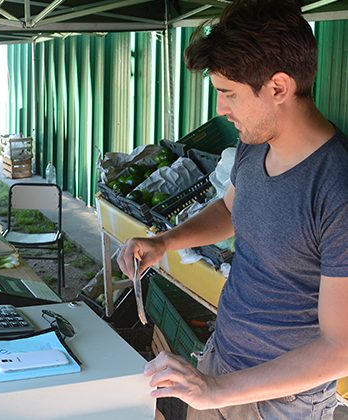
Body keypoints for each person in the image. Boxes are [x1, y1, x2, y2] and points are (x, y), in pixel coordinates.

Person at [116, 1, 348, 418]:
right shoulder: (254, 146)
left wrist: (217, 390)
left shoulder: (337, 189)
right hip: (222, 358)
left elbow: (339, 349)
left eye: (229, 94)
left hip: (283, 399)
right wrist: (164, 241)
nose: (222, 109)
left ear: (278, 87)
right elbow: (229, 209)